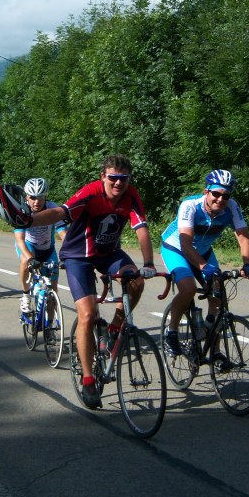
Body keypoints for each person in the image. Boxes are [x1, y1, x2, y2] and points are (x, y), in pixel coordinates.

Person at [20, 155, 157, 409]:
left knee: (137, 282)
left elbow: (142, 230)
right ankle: (88, 379)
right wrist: (29, 220)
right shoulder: (90, 193)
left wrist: (148, 263)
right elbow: (60, 212)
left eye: (123, 179)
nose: (118, 183)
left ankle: (115, 329)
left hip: (108, 254)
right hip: (78, 256)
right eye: (113, 178)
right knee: (88, 314)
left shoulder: (132, 195)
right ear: (103, 176)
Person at [159, 169, 249, 357]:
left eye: (226, 195)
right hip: (176, 249)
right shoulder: (190, 205)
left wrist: (247, 264)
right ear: (207, 191)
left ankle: (214, 348)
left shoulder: (231, 207)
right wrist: (204, 267)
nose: (220, 199)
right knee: (188, 288)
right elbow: (186, 244)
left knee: (218, 295)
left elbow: (244, 238)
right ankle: (171, 331)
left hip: (204, 251)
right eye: (216, 193)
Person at [14, 177, 66, 314]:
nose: (37, 202)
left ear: (45, 197)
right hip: (28, 245)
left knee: (52, 290)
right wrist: (31, 259)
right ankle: (25, 295)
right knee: (25, 260)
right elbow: (19, 239)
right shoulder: (22, 210)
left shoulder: (52, 208)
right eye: (33, 198)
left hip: (47, 249)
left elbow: (64, 234)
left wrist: (68, 255)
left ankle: (50, 328)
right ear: (27, 197)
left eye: (41, 198)